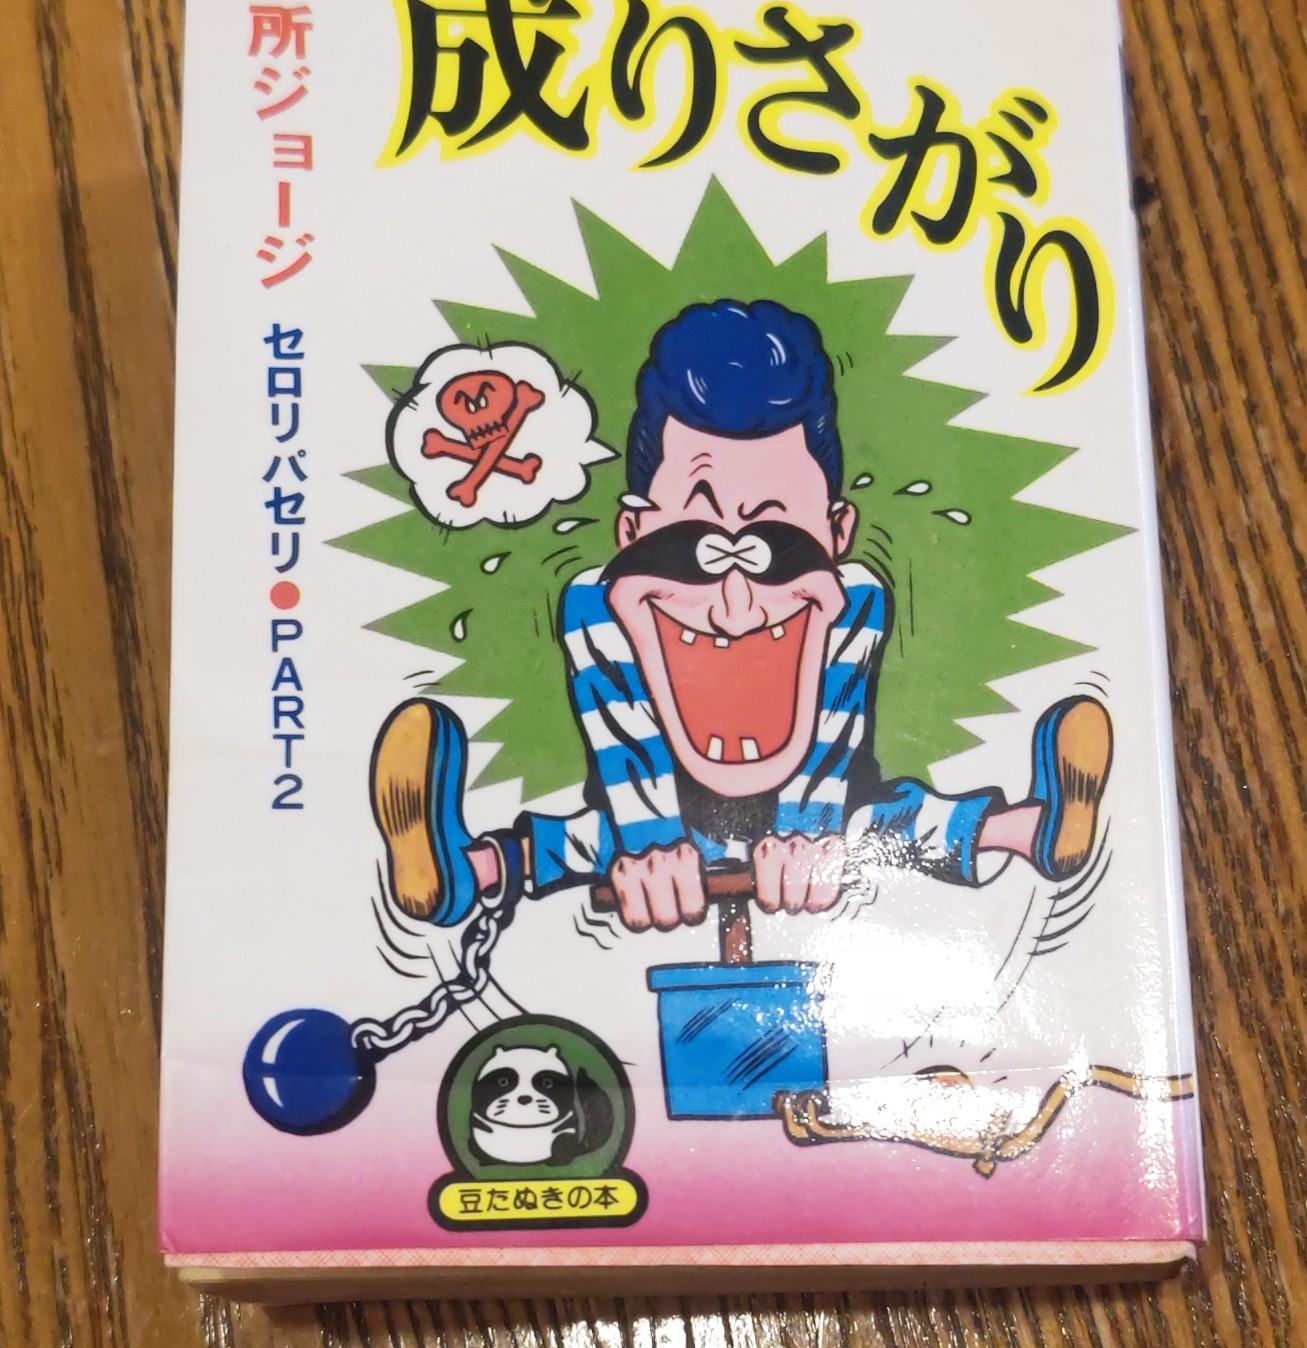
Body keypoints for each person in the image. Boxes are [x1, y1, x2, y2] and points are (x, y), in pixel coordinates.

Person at [370, 300, 1112, 931]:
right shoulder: (601, 608)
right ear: (631, 534)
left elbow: (832, 730)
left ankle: (1036, 829)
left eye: (776, 539)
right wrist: (653, 845)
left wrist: (807, 836)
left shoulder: (848, 601)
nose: (733, 602)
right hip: (655, 813)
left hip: (826, 815)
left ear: (836, 534)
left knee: (883, 823)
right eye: (692, 541)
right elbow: (622, 732)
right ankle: (460, 870)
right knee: (597, 840)